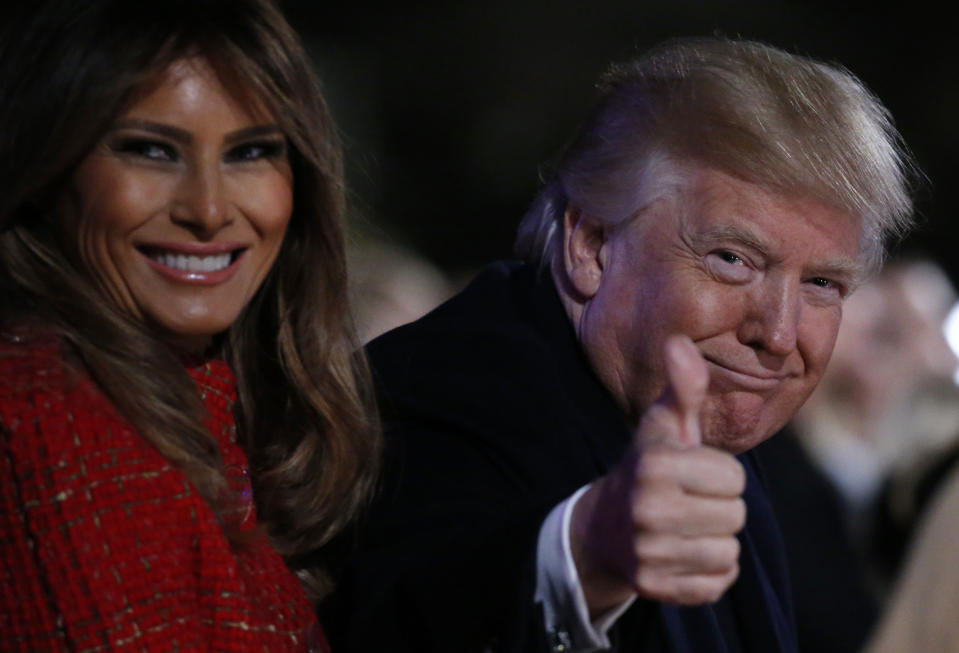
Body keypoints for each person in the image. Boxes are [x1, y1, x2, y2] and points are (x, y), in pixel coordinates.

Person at [324, 37, 916, 652]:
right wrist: (585, 556)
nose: (778, 333)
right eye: (732, 259)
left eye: (822, 283)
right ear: (591, 245)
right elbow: (407, 613)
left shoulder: (707, 422)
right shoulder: (438, 396)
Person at [0, 1, 378, 650]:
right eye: (150, 151)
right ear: (49, 169)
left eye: (251, 152)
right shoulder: (52, 419)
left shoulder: (217, 394)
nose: (207, 209)